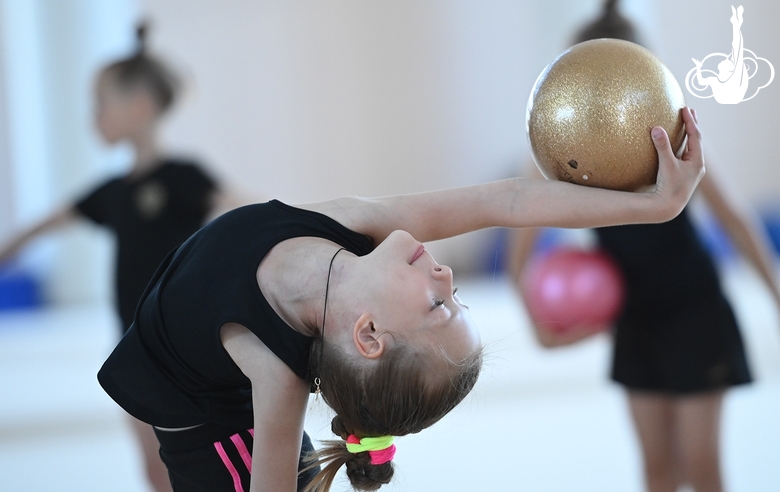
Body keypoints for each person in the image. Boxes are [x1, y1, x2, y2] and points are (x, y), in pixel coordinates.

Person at [95, 79, 704, 492]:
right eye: (456, 295)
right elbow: (509, 199)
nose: (445, 274)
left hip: (222, 449)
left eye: (439, 306)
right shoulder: (350, 227)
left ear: (368, 334)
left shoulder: (275, 380)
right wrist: (655, 206)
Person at [506, 2, 780, 491]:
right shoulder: (560, 152)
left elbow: (736, 220)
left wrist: (777, 295)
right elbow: (518, 254)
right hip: (634, 320)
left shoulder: (672, 136)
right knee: (657, 472)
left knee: (701, 469)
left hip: (696, 313)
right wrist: (537, 326)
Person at [0, 23, 243, 492]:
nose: (93, 118)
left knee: (188, 458)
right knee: (152, 465)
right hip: (130, 348)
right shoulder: (112, 193)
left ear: (140, 107)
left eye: (100, 105)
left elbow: (246, 208)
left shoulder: (184, 178)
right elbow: (38, 228)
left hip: (180, 343)